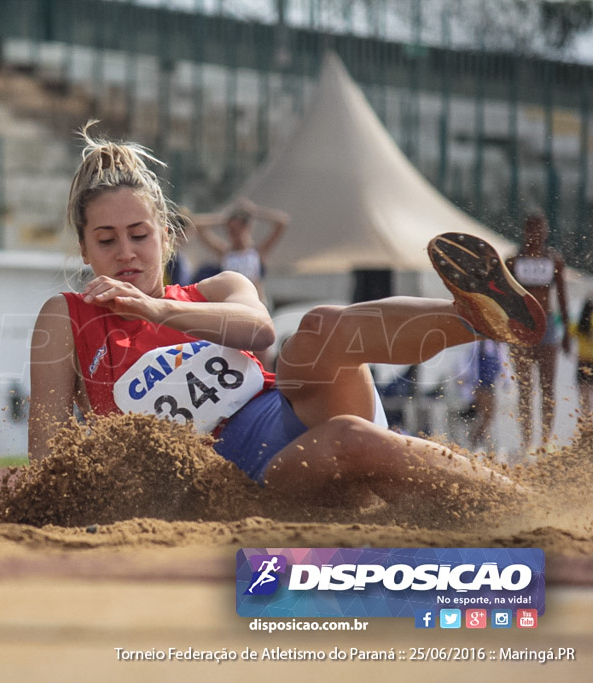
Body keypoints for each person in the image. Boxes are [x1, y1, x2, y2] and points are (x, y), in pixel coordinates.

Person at [28, 124, 544, 507]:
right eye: (106, 240)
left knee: (318, 328)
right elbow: (47, 456)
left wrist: (159, 308)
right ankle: (525, 508)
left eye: (139, 235)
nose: (126, 254)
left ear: (167, 235)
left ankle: (473, 319)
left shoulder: (220, 287)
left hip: (289, 411)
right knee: (352, 439)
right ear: (83, 250)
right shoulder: (67, 316)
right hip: (241, 477)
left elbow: (261, 330)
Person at [505, 213, 570, 449]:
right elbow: (506, 298)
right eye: (531, 229)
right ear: (525, 231)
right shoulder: (513, 261)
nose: (536, 234)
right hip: (522, 326)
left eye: (540, 229)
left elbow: (562, 296)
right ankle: (527, 439)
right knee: (525, 386)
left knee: (547, 385)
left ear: (546, 232)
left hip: (548, 325)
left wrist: (567, 335)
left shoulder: (553, 260)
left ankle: (545, 439)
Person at [187, 196, 289, 307]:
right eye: (230, 230)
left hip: (256, 304)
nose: (233, 234)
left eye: (237, 229)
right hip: (234, 304)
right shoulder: (225, 252)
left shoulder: (258, 252)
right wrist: (225, 218)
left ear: (247, 227)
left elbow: (282, 222)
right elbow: (196, 225)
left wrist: (253, 213)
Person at [569, 298, 593, 419]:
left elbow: (569, 333)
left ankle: (585, 426)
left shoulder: (580, 323)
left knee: (584, 400)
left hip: (582, 363)